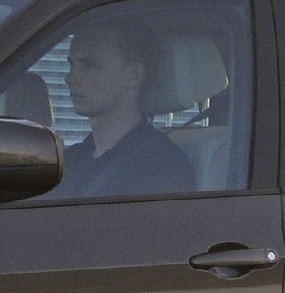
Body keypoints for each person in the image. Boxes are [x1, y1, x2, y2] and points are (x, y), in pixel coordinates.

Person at [58, 16, 193, 199]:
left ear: (134, 75)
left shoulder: (161, 166)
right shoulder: (70, 161)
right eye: (72, 65)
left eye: (89, 65)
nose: (70, 78)